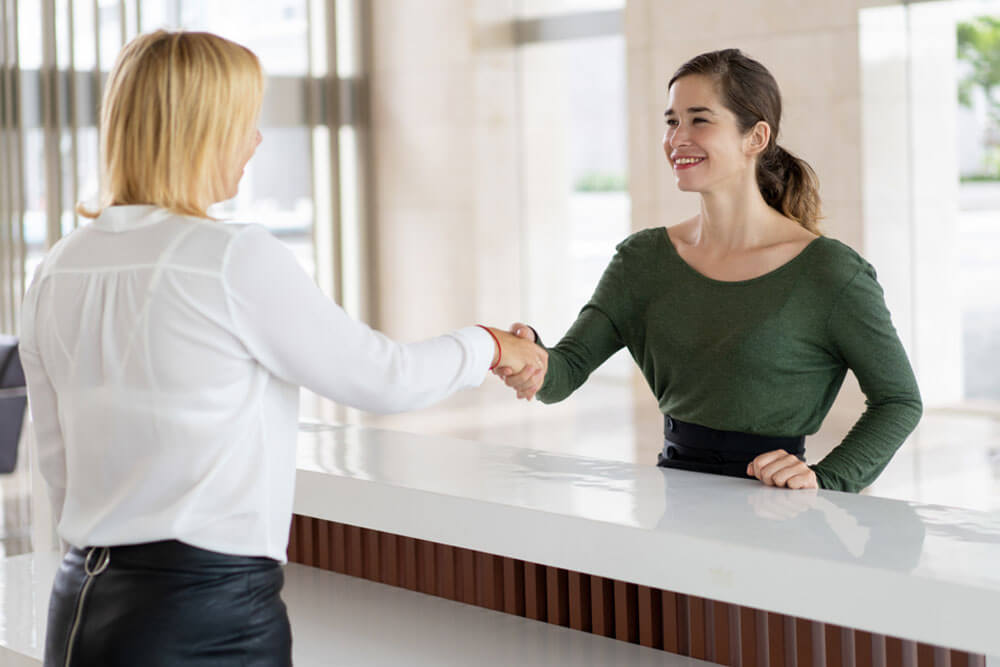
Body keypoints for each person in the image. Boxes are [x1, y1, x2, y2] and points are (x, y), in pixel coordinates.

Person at [20, 30, 543, 666]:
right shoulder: (229, 257)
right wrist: (489, 344)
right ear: (201, 129)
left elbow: (59, 466)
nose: (257, 141)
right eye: (246, 122)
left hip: (82, 603)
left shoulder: (58, 266)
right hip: (202, 614)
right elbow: (385, 378)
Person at [496, 49, 922, 493]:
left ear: (755, 137)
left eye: (699, 120)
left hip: (778, 514)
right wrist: (530, 360)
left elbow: (899, 401)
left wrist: (827, 479)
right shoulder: (641, 260)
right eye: (671, 121)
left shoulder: (829, 272)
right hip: (674, 506)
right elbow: (564, 373)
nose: (677, 137)